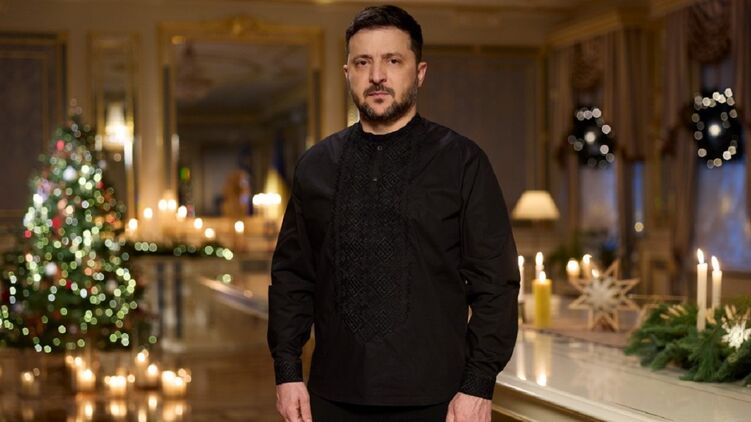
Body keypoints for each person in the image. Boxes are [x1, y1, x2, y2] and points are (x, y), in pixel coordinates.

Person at [267, 5, 519, 422]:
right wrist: (287, 371)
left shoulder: (462, 162)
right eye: (362, 62)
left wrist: (478, 383)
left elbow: (496, 283)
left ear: (419, 73)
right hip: (331, 397)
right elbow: (293, 277)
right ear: (347, 73)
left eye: (393, 61)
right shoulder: (316, 165)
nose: (377, 75)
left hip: (439, 401)